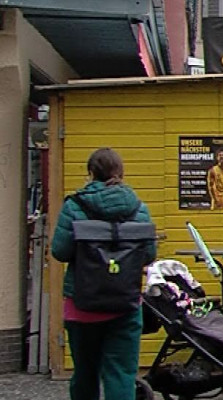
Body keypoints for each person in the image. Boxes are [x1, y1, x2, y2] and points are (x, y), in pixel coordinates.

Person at [52, 148, 155, 400]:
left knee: (85, 373)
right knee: (121, 373)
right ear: (121, 172)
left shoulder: (74, 206)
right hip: (125, 304)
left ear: (91, 173)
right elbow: (149, 255)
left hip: (81, 304)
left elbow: (60, 251)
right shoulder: (138, 208)